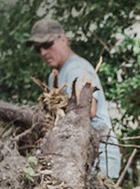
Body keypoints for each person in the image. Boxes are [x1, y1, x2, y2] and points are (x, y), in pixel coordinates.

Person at [26, 17, 121, 180]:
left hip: (100, 156)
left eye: (47, 45)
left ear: (63, 39)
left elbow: (87, 111)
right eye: (38, 48)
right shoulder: (54, 77)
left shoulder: (77, 69)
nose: (43, 52)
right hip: (77, 154)